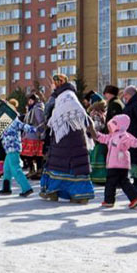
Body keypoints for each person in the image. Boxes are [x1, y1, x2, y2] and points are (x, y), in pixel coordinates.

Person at [39, 73, 96, 203]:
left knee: (59, 163)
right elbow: (83, 116)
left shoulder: (62, 96)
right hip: (74, 136)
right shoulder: (68, 95)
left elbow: (50, 114)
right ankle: (79, 195)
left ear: (57, 83)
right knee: (73, 164)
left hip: (64, 136)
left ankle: (55, 191)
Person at [91, 113, 137, 209]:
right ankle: (135, 198)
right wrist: (95, 134)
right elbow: (103, 138)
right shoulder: (112, 136)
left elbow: (131, 141)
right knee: (123, 182)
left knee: (111, 182)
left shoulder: (124, 135)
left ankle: (109, 201)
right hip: (117, 164)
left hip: (117, 164)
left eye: (113, 124)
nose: (110, 127)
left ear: (119, 125)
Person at [0, 99, 36, 197]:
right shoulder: (4, 120)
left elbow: (23, 126)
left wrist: (34, 129)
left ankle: (26, 188)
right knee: (7, 168)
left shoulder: (12, 119)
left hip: (13, 148)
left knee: (15, 169)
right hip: (9, 149)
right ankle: (6, 188)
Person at [21, 93, 46, 180]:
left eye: (31, 100)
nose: (29, 101)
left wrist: (40, 132)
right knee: (28, 154)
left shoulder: (37, 109)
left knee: (35, 154)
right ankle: (32, 170)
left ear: (35, 100)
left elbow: (41, 122)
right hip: (29, 135)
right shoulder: (31, 109)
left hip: (35, 135)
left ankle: (38, 171)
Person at [87, 92, 108, 185]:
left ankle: (98, 177)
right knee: (101, 158)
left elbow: (97, 126)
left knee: (96, 157)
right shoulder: (103, 111)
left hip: (97, 139)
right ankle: (102, 177)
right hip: (103, 138)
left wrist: (91, 132)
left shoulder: (95, 113)